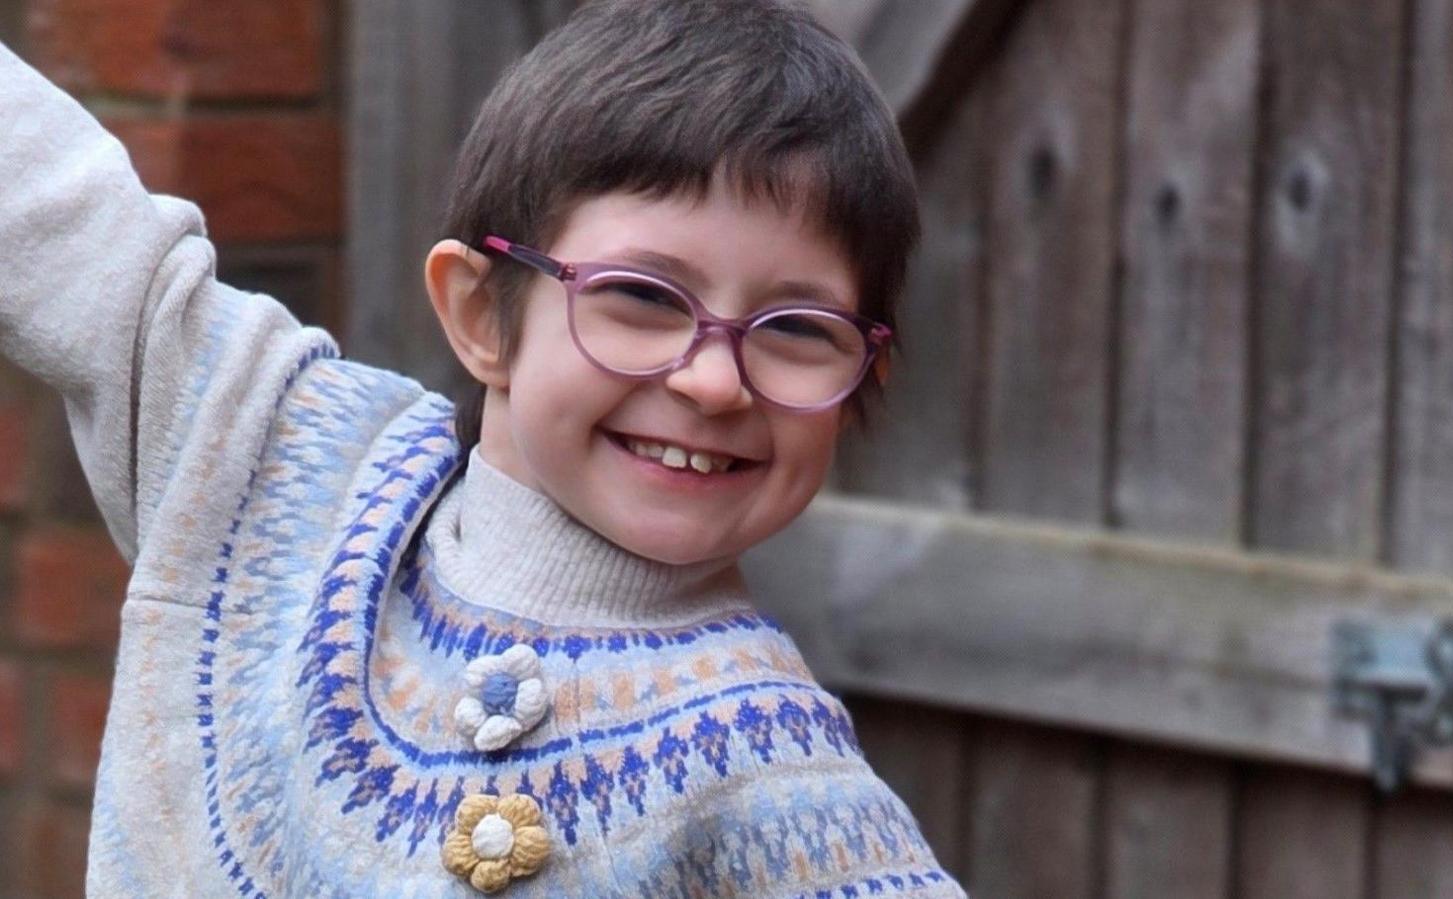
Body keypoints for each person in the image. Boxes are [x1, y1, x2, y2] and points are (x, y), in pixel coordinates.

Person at [0, 0, 966, 896]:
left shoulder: (779, 772)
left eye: (798, 329)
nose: (714, 381)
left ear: (860, 384)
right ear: (480, 315)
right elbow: (62, 218)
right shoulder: (283, 461)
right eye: (639, 296)